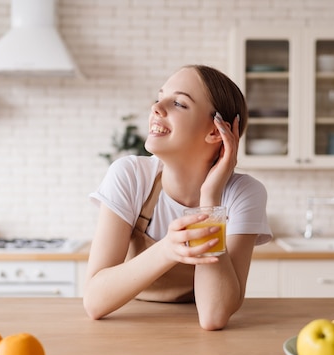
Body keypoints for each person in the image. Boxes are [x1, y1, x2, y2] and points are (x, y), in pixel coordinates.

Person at [84, 65, 272, 330]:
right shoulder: (131, 176)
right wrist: (168, 249)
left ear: (215, 132)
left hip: (197, 336)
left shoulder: (243, 194)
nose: (156, 107)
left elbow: (213, 316)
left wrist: (210, 200)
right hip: (130, 325)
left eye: (179, 103)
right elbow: (94, 302)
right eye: (160, 97)